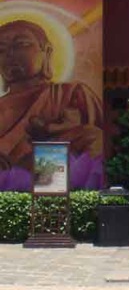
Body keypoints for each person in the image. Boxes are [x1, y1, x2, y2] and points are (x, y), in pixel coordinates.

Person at [0, 19, 103, 188]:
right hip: (9, 183)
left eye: (21, 45)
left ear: (46, 52)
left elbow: (94, 141)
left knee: (91, 136)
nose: (10, 55)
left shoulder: (71, 94)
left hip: (52, 174)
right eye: (1, 50)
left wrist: (51, 134)